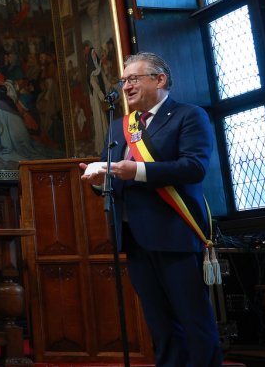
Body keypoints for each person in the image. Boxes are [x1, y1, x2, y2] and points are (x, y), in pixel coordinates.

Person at [79, 52, 222, 367]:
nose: (126, 86)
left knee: (193, 319)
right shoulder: (119, 126)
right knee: (160, 325)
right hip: (134, 237)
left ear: (160, 80)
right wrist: (99, 179)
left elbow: (193, 167)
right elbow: (116, 176)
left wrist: (137, 172)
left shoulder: (189, 116)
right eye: (124, 80)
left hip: (175, 232)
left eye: (134, 79)